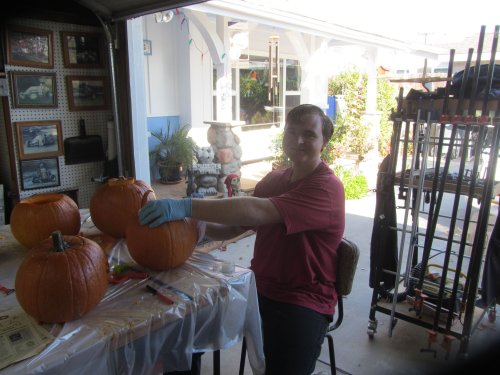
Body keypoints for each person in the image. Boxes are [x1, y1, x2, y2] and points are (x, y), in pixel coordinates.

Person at [140, 104, 345, 375]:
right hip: (255, 289)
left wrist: (187, 206)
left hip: (302, 300)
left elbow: (259, 210)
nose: (298, 140)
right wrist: (197, 228)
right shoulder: (274, 179)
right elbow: (238, 225)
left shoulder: (326, 189)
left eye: (309, 134)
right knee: (184, 329)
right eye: (292, 131)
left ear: (324, 142)